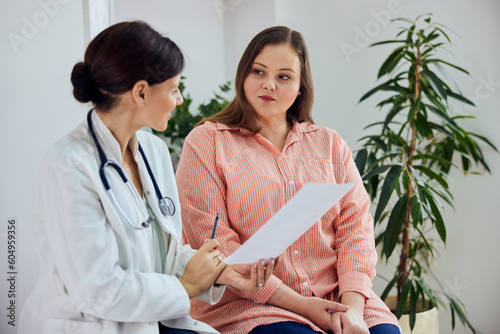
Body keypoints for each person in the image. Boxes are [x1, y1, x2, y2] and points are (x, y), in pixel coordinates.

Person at [19, 21, 276, 334]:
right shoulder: (68, 167)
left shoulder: (153, 152)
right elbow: (99, 290)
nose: (179, 99)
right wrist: (187, 286)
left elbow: (158, 253)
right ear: (141, 92)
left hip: (150, 319)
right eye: (174, 89)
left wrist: (223, 272)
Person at [175, 26, 401, 334]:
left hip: (336, 293)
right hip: (250, 302)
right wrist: (303, 306)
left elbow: (355, 233)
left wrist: (353, 311)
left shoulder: (330, 144)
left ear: (299, 87)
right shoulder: (206, 142)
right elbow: (216, 245)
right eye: (258, 71)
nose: (268, 84)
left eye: (283, 76)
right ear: (243, 75)